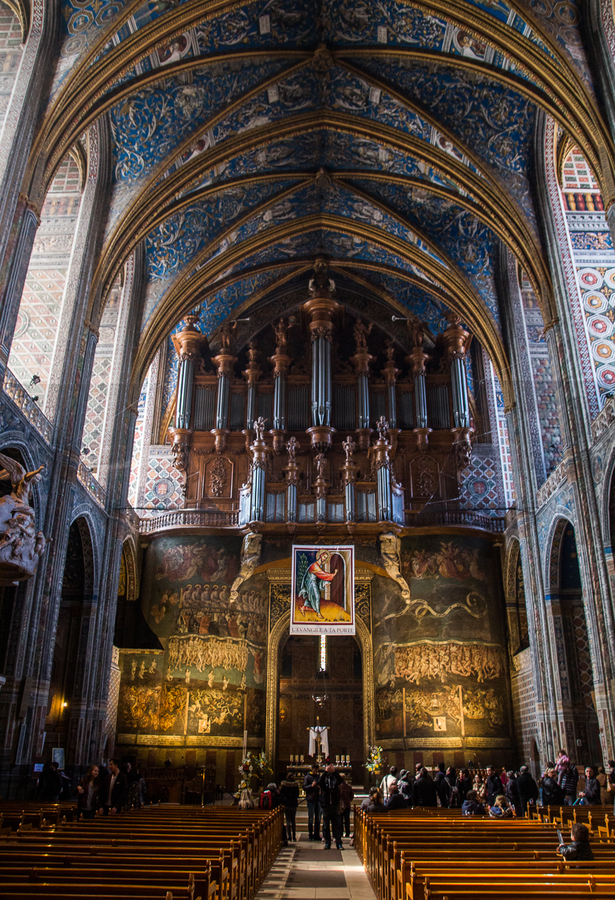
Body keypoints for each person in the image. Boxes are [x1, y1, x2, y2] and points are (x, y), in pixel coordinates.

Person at [319, 764, 343, 850]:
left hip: (335, 804)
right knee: (326, 826)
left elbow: (340, 780)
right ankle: (327, 843)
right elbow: (320, 782)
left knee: (337, 825)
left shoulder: (335, 781)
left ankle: (338, 843)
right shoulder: (324, 781)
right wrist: (325, 772)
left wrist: (334, 772)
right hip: (326, 805)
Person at [279, 773, 299, 841]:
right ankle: (294, 836)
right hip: (293, 804)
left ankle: (289, 836)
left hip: (287, 804)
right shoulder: (295, 785)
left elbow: (282, 794)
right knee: (293, 820)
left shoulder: (284, 785)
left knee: (288, 820)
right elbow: (297, 794)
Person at [303, 764, 321, 841]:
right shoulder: (307, 777)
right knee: (311, 817)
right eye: (314, 769)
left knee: (318, 818)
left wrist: (319, 786)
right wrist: (312, 786)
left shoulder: (319, 777)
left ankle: (317, 834)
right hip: (311, 799)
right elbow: (304, 787)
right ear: (312, 769)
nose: (315, 771)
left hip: (318, 799)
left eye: (316, 770)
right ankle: (310, 834)